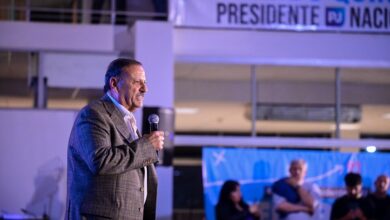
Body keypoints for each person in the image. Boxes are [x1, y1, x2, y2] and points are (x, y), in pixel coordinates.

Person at [65, 58, 164, 220]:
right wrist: (146, 146)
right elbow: (100, 160)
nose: (145, 89)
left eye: (145, 82)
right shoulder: (94, 114)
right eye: (137, 82)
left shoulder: (129, 121)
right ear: (114, 83)